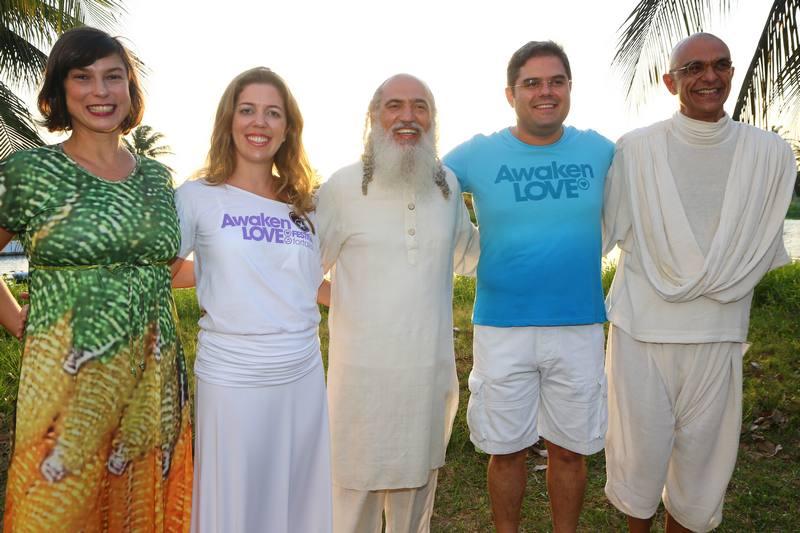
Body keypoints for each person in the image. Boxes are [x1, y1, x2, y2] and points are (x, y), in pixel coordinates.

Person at [602, 33, 796, 533]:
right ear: (671, 82)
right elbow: (600, 233)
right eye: (693, 68)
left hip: (719, 332)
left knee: (702, 469)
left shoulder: (769, 154)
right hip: (642, 332)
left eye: (720, 65)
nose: (709, 76)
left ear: (731, 72)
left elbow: (758, 245)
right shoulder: (636, 149)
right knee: (637, 461)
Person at [0, 27, 192, 531]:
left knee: (140, 512)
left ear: (130, 87)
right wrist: (15, 319)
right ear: (60, 89)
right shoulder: (30, 170)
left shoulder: (158, 177)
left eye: (113, 77)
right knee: (59, 508)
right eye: (82, 77)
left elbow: (163, 269)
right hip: (65, 381)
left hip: (153, 379)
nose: (100, 91)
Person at [444, 41, 614, 533]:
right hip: (502, 327)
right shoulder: (477, 153)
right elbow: (421, 187)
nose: (546, 92)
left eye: (556, 81)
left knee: (571, 450)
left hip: (579, 325)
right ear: (510, 93)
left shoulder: (600, 150)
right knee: (505, 450)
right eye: (532, 83)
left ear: (569, 88)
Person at [316, 73, 479, 533]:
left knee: (414, 511)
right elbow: (303, 272)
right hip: (360, 386)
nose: (408, 117)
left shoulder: (446, 186)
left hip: (427, 380)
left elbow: (471, 256)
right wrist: (352, 306)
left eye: (420, 106)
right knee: (351, 509)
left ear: (433, 118)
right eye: (395, 106)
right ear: (373, 116)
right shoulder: (342, 187)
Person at [173, 67, 331, 533]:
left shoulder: (307, 204)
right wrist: (220, 271)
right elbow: (165, 274)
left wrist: (375, 303)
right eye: (247, 110)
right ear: (229, 120)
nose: (259, 122)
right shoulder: (197, 196)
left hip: (302, 371)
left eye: (272, 113)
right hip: (232, 374)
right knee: (235, 500)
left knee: (297, 498)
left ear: (287, 128)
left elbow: (308, 283)